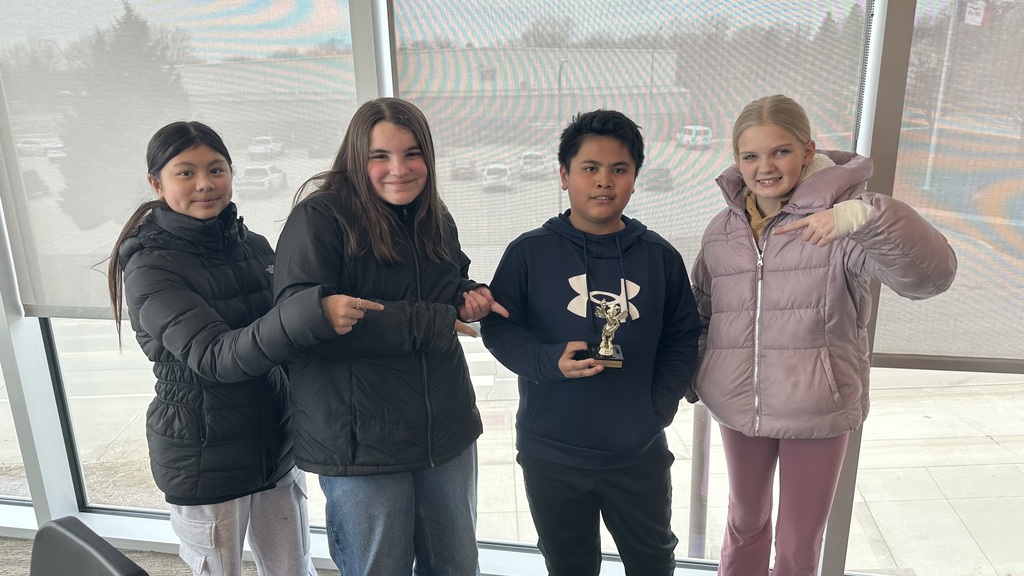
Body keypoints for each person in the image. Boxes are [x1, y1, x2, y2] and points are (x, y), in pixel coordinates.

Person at [690, 94, 958, 576]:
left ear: (808, 151)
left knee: (797, 547)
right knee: (744, 523)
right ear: (736, 161)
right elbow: (705, 313)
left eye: (780, 151)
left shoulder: (842, 222)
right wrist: (689, 378)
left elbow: (930, 277)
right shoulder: (721, 232)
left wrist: (865, 218)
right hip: (737, 408)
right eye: (750, 155)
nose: (765, 167)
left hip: (817, 407)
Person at [108, 121, 371, 576]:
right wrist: (310, 314)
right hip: (204, 455)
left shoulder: (254, 246)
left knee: (294, 569)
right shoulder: (150, 266)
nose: (205, 184)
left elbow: (288, 347)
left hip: (275, 443)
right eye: (185, 173)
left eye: (216, 169)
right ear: (156, 183)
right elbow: (215, 357)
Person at [272, 97, 505, 576]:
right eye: (381, 156)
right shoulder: (319, 219)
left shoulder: (433, 215)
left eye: (412, 153)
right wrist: (434, 319)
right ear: (357, 158)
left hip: (443, 428)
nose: (398, 169)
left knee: (458, 567)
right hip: (362, 441)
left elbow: (445, 284)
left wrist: (466, 294)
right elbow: (306, 326)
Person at [480, 109, 702, 576]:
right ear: (564, 176)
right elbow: (499, 328)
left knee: (653, 562)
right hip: (551, 453)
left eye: (619, 169)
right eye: (590, 169)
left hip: (636, 453)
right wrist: (545, 361)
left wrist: (656, 409)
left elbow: (682, 337)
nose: (604, 182)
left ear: (635, 178)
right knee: (569, 565)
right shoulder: (528, 253)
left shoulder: (659, 257)